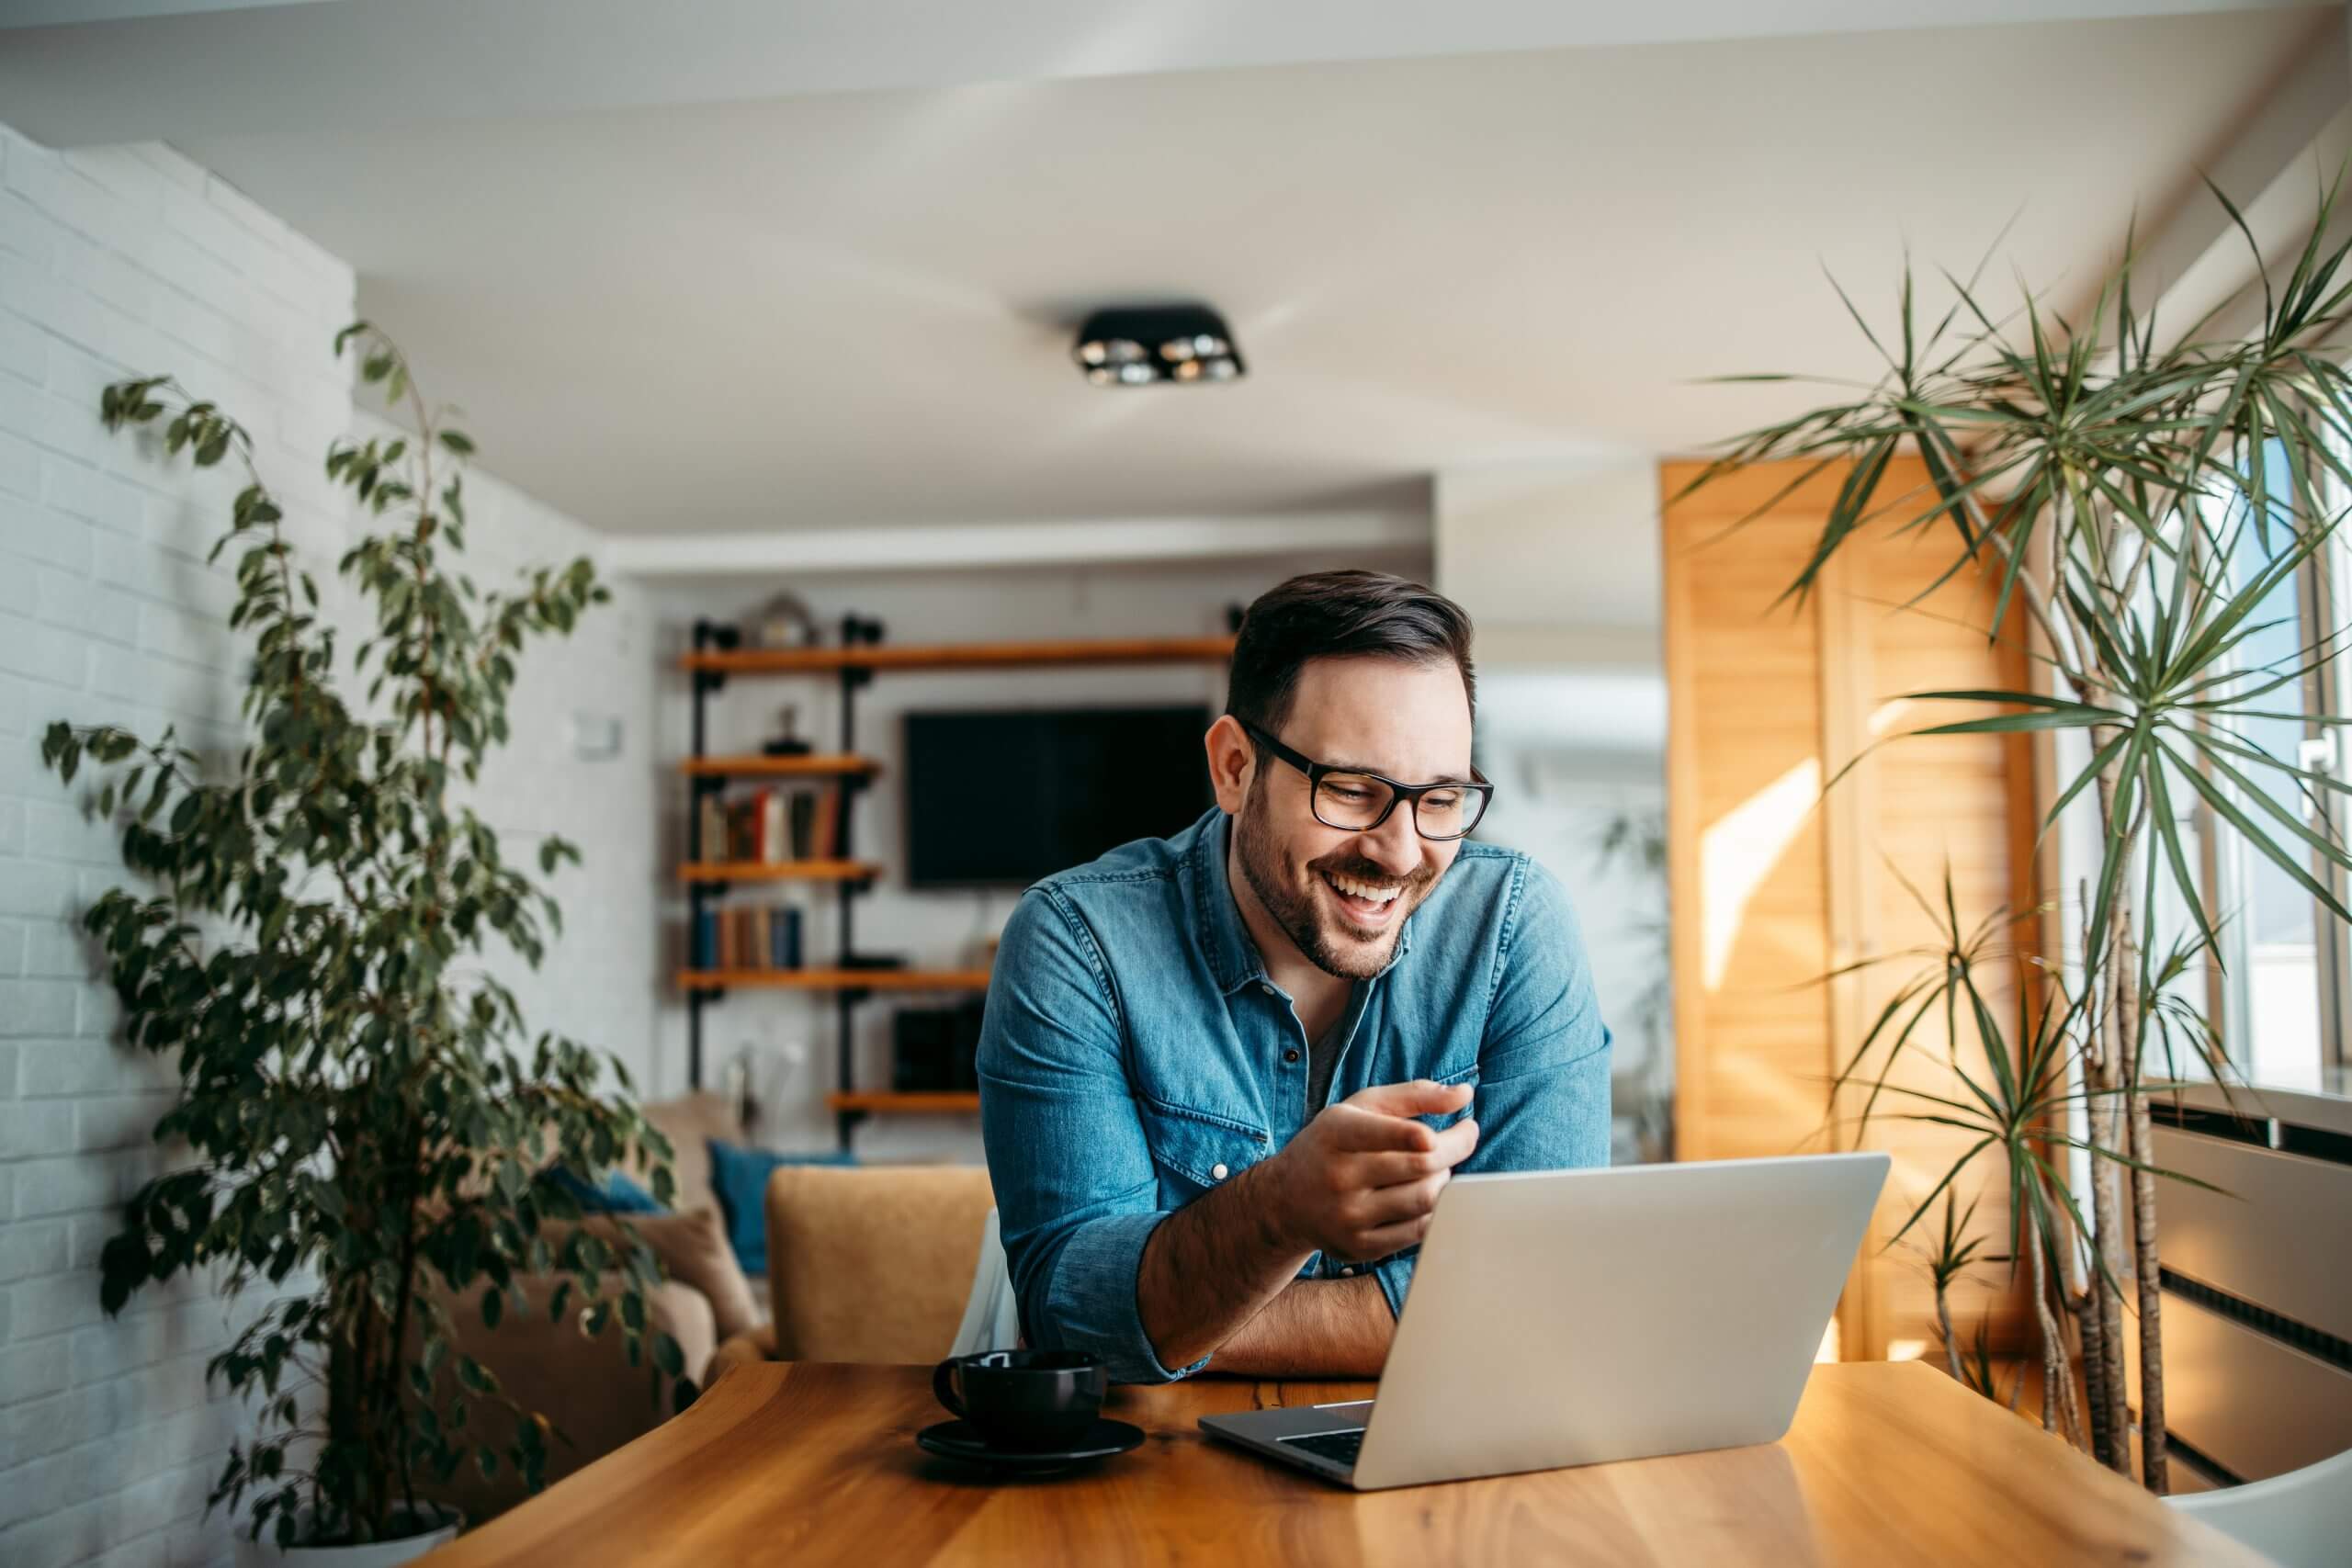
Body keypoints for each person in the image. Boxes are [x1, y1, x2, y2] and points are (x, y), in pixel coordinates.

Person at [977, 570, 1611, 1382]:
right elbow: (1073, 1313)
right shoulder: (1077, 941)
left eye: (1441, 799)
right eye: (1352, 791)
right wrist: (1282, 1210)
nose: (1403, 852)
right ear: (1236, 766)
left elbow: (1544, 1298)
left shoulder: (1514, 925)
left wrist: (1185, 1315)